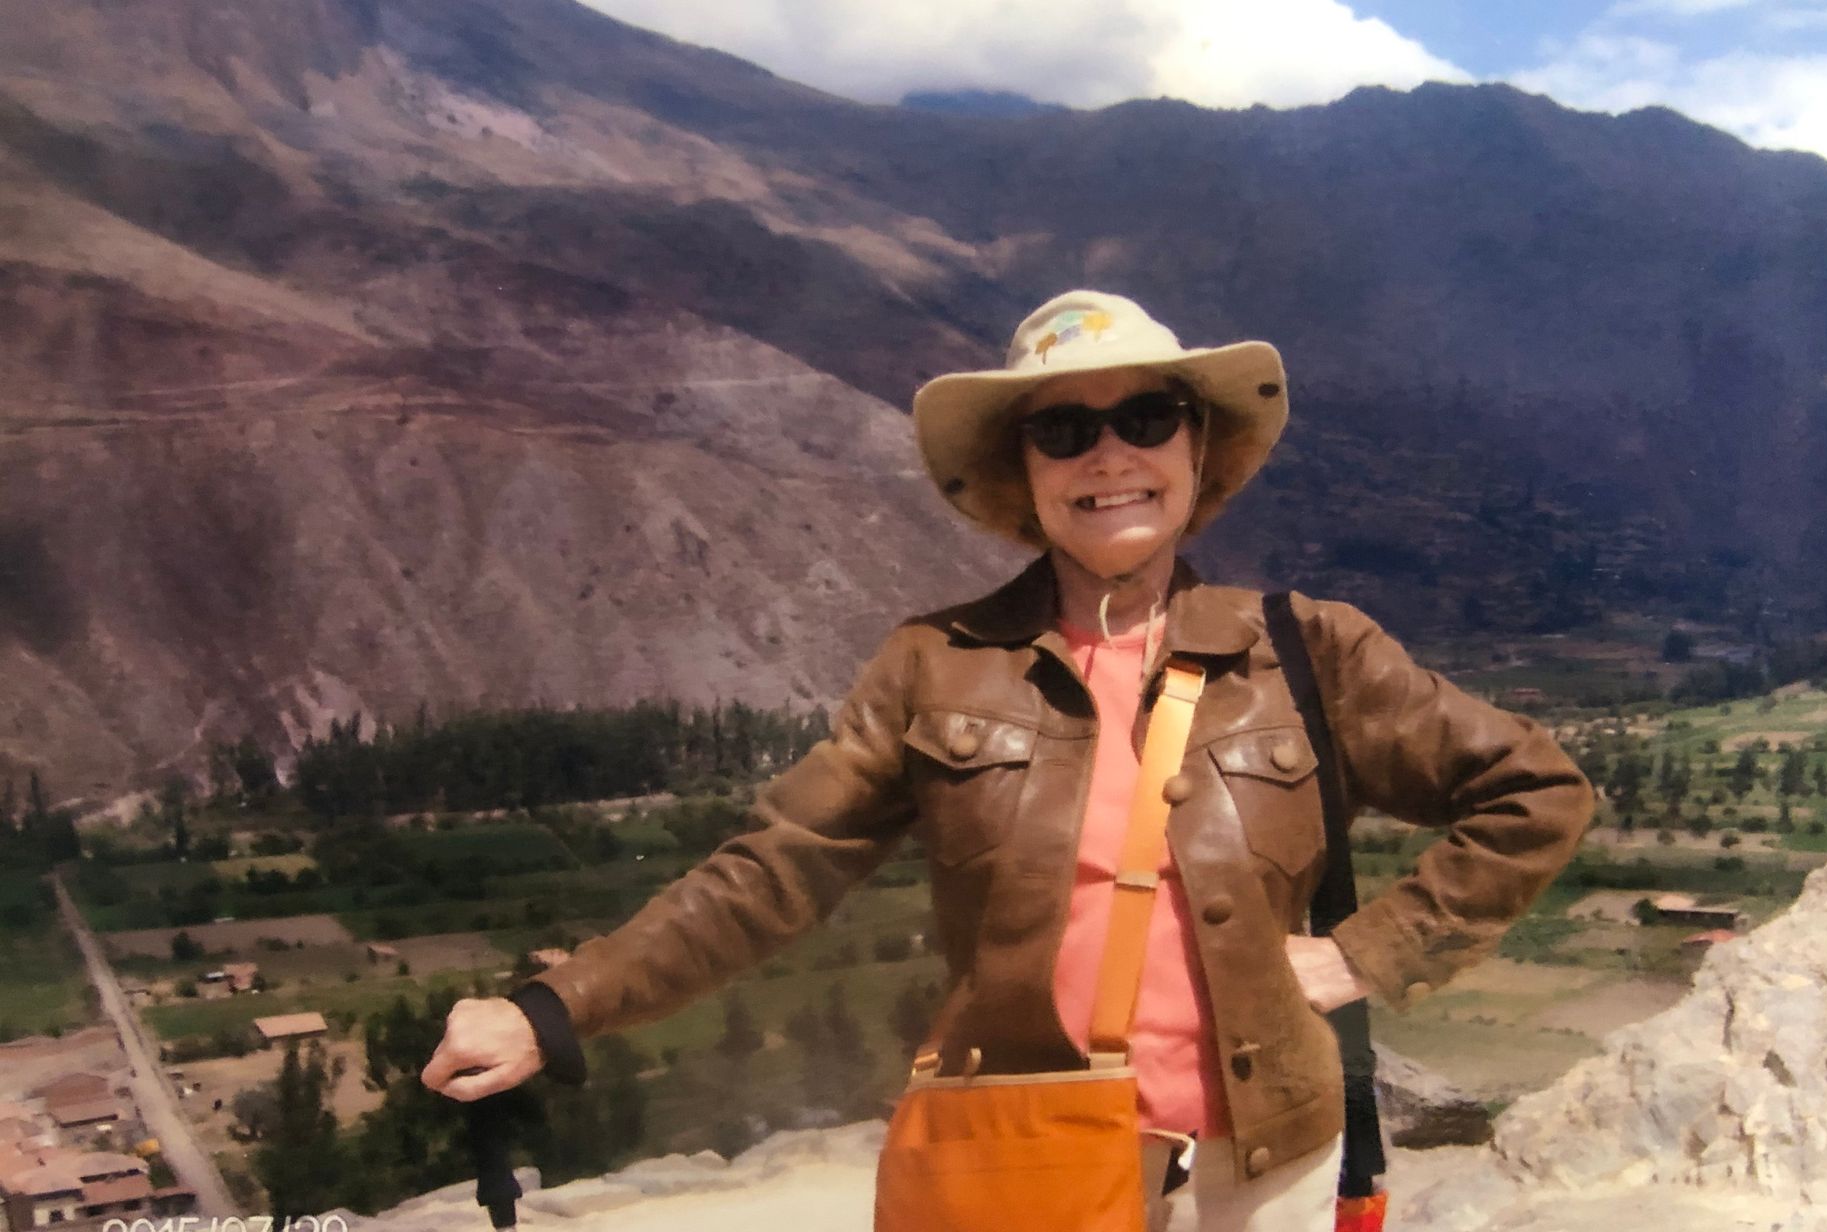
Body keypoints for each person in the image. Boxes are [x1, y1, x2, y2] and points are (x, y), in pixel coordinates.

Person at [424, 290, 1594, 1229]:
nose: (1110, 454)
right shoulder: (937, 664)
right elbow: (774, 869)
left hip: (1265, 1166)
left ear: (1197, 447)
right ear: (1024, 474)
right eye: (1063, 429)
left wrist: (1362, 953)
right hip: (1027, 1154)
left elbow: (1536, 792)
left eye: (1147, 417)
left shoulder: (1309, 648)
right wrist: (556, 1006)